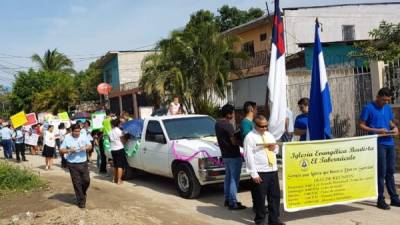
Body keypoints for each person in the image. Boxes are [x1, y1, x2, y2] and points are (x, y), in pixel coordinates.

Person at [359, 87, 400, 210]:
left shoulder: (387, 108)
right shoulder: (368, 108)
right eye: (384, 100)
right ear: (377, 97)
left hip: (389, 142)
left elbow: (389, 122)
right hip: (377, 143)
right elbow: (361, 125)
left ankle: (394, 198)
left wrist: (395, 128)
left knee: (390, 171)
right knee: (381, 172)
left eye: (388, 100)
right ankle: (380, 199)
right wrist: (377, 131)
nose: (386, 102)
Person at [244, 115, 284, 225]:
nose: (265, 128)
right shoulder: (250, 137)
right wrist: (253, 173)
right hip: (260, 171)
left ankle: (274, 220)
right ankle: (260, 221)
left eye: (266, 126)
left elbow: (276, 149)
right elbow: (248, 156)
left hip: (272, 170)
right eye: (262, 126)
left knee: (275, 197)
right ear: (255, 125)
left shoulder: (269, 135)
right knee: (260, 198)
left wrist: (274, 148)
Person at [215, 104, 246, 210]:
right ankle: (233, 202)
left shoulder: (217, 124)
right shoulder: (228, 125)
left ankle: (227, 199)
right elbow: (233, 142)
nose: (233, 114)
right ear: (229, 114)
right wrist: (241, 141)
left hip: (225, 155)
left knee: (228, 178)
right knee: (234, 179)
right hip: (233, 155)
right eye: (232, 112)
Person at [59, 124, 92, 208]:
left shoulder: (84, 136)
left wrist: (85, 148)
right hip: (72, 163)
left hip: (83, 162)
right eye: (75, 131)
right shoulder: (67, 137)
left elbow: (90, 146)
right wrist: (69, 150)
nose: (77, 133)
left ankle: (82, 192)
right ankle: (81, 201)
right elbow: (61, 150)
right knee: (77, 182)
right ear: (71, 131)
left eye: (78, 131)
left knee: (86, 180)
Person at [109, 118, 127, 184]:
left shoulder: (110, 131)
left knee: (115, 165)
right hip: (119, 149)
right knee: (120, 165)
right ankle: (119, 180)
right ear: (118, 124)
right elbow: (123, 140)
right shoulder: (119, 131)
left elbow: (109, 140)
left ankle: (114, 179)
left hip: (113, 149)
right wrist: (125, 140)